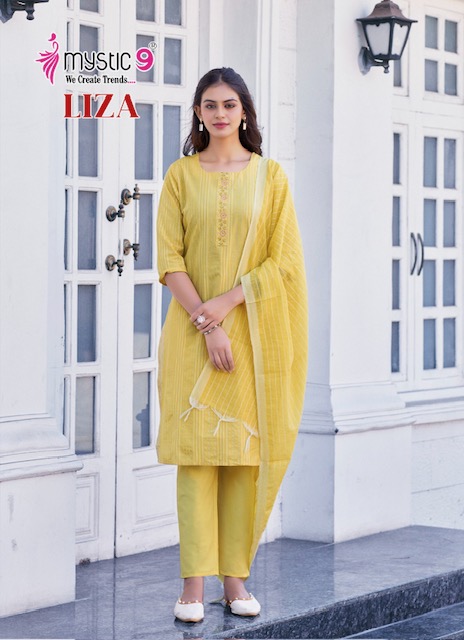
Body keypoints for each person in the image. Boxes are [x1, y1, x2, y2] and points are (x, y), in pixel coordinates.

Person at [156, 67, 308, 623]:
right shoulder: (180, 176)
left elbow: (282, 261)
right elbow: (168, 259)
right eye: (209, 105)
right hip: (191, 333)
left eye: (229, 104)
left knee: (243, 461)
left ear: (244, 112)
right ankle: (192, 587)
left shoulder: (271, 178)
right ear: (198, 113)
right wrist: (207, 321)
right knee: (196, 460)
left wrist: (226, 305)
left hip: (252, 334)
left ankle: (235, 580)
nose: (219, 113)